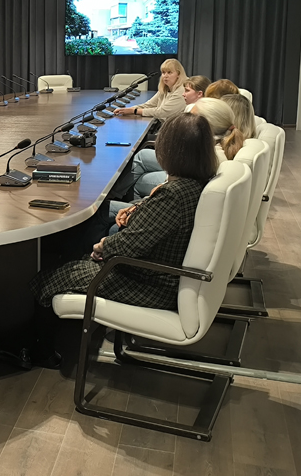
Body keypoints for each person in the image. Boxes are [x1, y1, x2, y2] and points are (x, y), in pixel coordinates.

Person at [28, 114, 219, 367]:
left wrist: (102, 246)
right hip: (156, 273)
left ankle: (39, 352)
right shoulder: (194, 184)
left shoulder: (173, 196)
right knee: (91, 229)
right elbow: (153, 227)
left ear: (170, 151)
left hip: (145, 282)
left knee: (45, 279)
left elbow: (129, 245)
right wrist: (138, 209)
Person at [113, 59, 187, 121]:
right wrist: (128, 109)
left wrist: (135, 111)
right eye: (163, 73)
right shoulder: (165, 88)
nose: (165, 76)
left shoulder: (182, 91)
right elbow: (149, 105)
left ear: (178, 74)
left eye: (169, 72)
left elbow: (163, 112)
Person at [191, 97, 246, 161]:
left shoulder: (205, 159)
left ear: (206, 128)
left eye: (190, 117)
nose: (185, 119)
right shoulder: (216, 153)